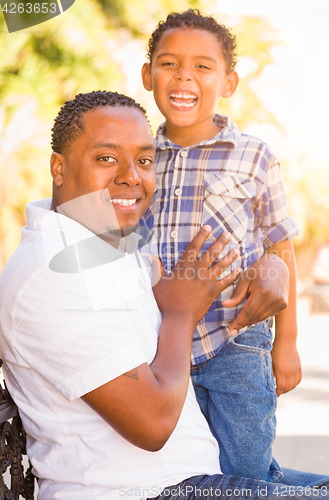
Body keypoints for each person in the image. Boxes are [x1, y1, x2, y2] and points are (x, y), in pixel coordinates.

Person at [0, 91, 328, 500]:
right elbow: (152, 425)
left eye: (144, 160)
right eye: (106, 158)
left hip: (194, 480)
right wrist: (182, 315)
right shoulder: (52, 272)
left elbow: (179, 280)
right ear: (58, 168)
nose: (131, 176)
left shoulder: (105, 242)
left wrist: (272, 264)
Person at [141, 9, 301, 482]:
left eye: (202, 66)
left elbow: (281, 247)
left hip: (236, 341)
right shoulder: (142, 158)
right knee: (192, 470)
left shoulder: (253, 155)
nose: (184, 75)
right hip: (161, 345)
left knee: (245, 469)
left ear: (228, 82)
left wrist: (287, 344)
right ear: (148, 76)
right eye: (169, 64)